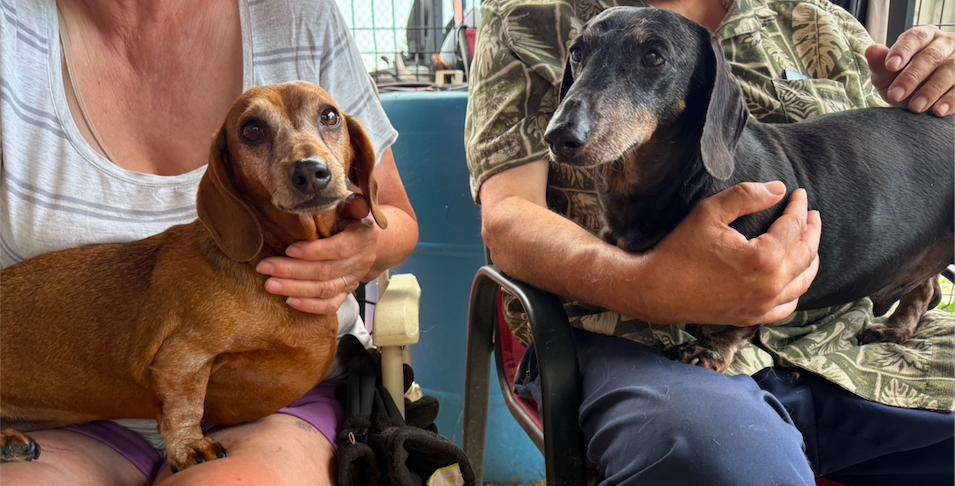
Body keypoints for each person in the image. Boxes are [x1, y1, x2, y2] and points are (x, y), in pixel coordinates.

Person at [465, 0, 954, 484]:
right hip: (647, 351)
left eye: (653, 58)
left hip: (858, 347)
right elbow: (508, 219)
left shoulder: (815, 17)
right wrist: (647, 285)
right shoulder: (530, 16)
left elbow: (914, 153)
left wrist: (940, 78)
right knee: (723, 459)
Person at [0, 0, 419, 485]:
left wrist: (359, 254)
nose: (306, 161)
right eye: (256, 133)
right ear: (226, 171)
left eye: (326, 120)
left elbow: (398, 220)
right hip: (67, 418)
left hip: (285, 409)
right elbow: (182, 354)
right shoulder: (13, 28)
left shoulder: (299, 16)